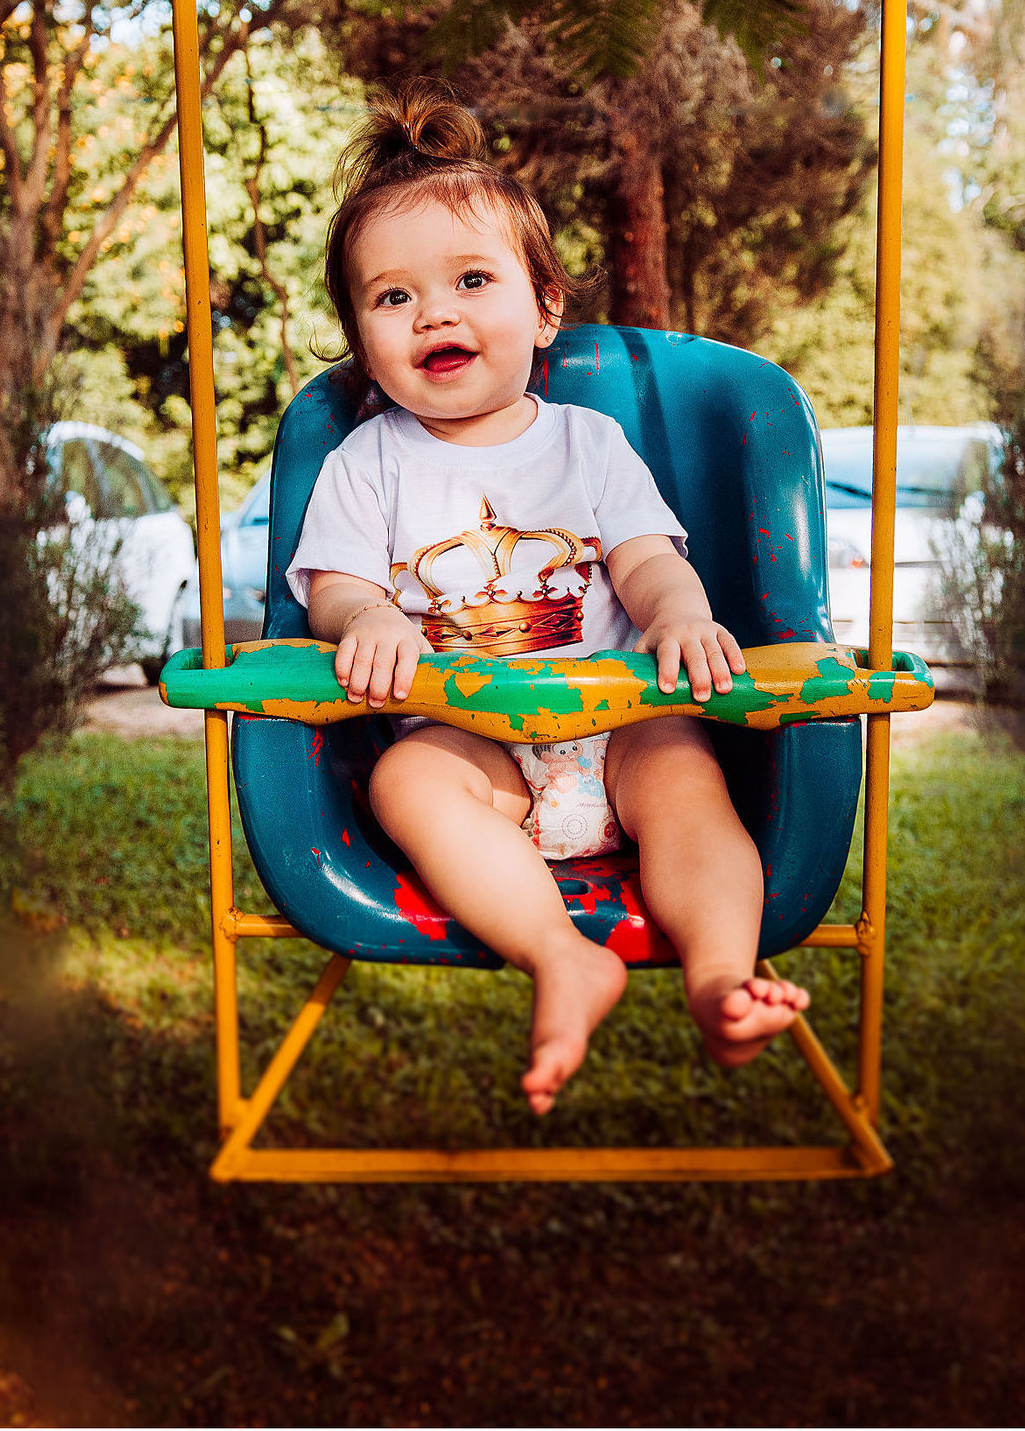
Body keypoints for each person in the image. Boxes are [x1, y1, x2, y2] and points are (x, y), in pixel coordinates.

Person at [287, 80, 808, 1115]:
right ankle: (560, 957)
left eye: (471, 279)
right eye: (391, 297)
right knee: (410, 784)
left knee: (689, 794)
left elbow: (650, 560)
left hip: (615, 727)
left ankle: (721, 976)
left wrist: (679, 614)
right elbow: (335, 586)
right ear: (362, 337)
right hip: (470, 737)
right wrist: (371, 616)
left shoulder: (590, 443)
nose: (432, 310)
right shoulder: (365, 461)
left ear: (545, 307)